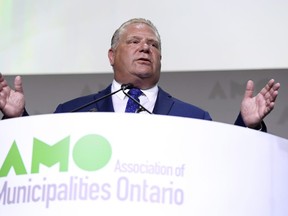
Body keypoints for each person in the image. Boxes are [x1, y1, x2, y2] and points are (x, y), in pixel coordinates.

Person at [0, 18, 280, 131]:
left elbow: (222, 166)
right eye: (133, 42)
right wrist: (15, 121)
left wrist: (248, 125)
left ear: (160, 59)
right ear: (111, 56)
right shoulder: (71, 112)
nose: (145, 47)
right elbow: (49, 164)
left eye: (153, 45)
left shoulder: (194, 118)